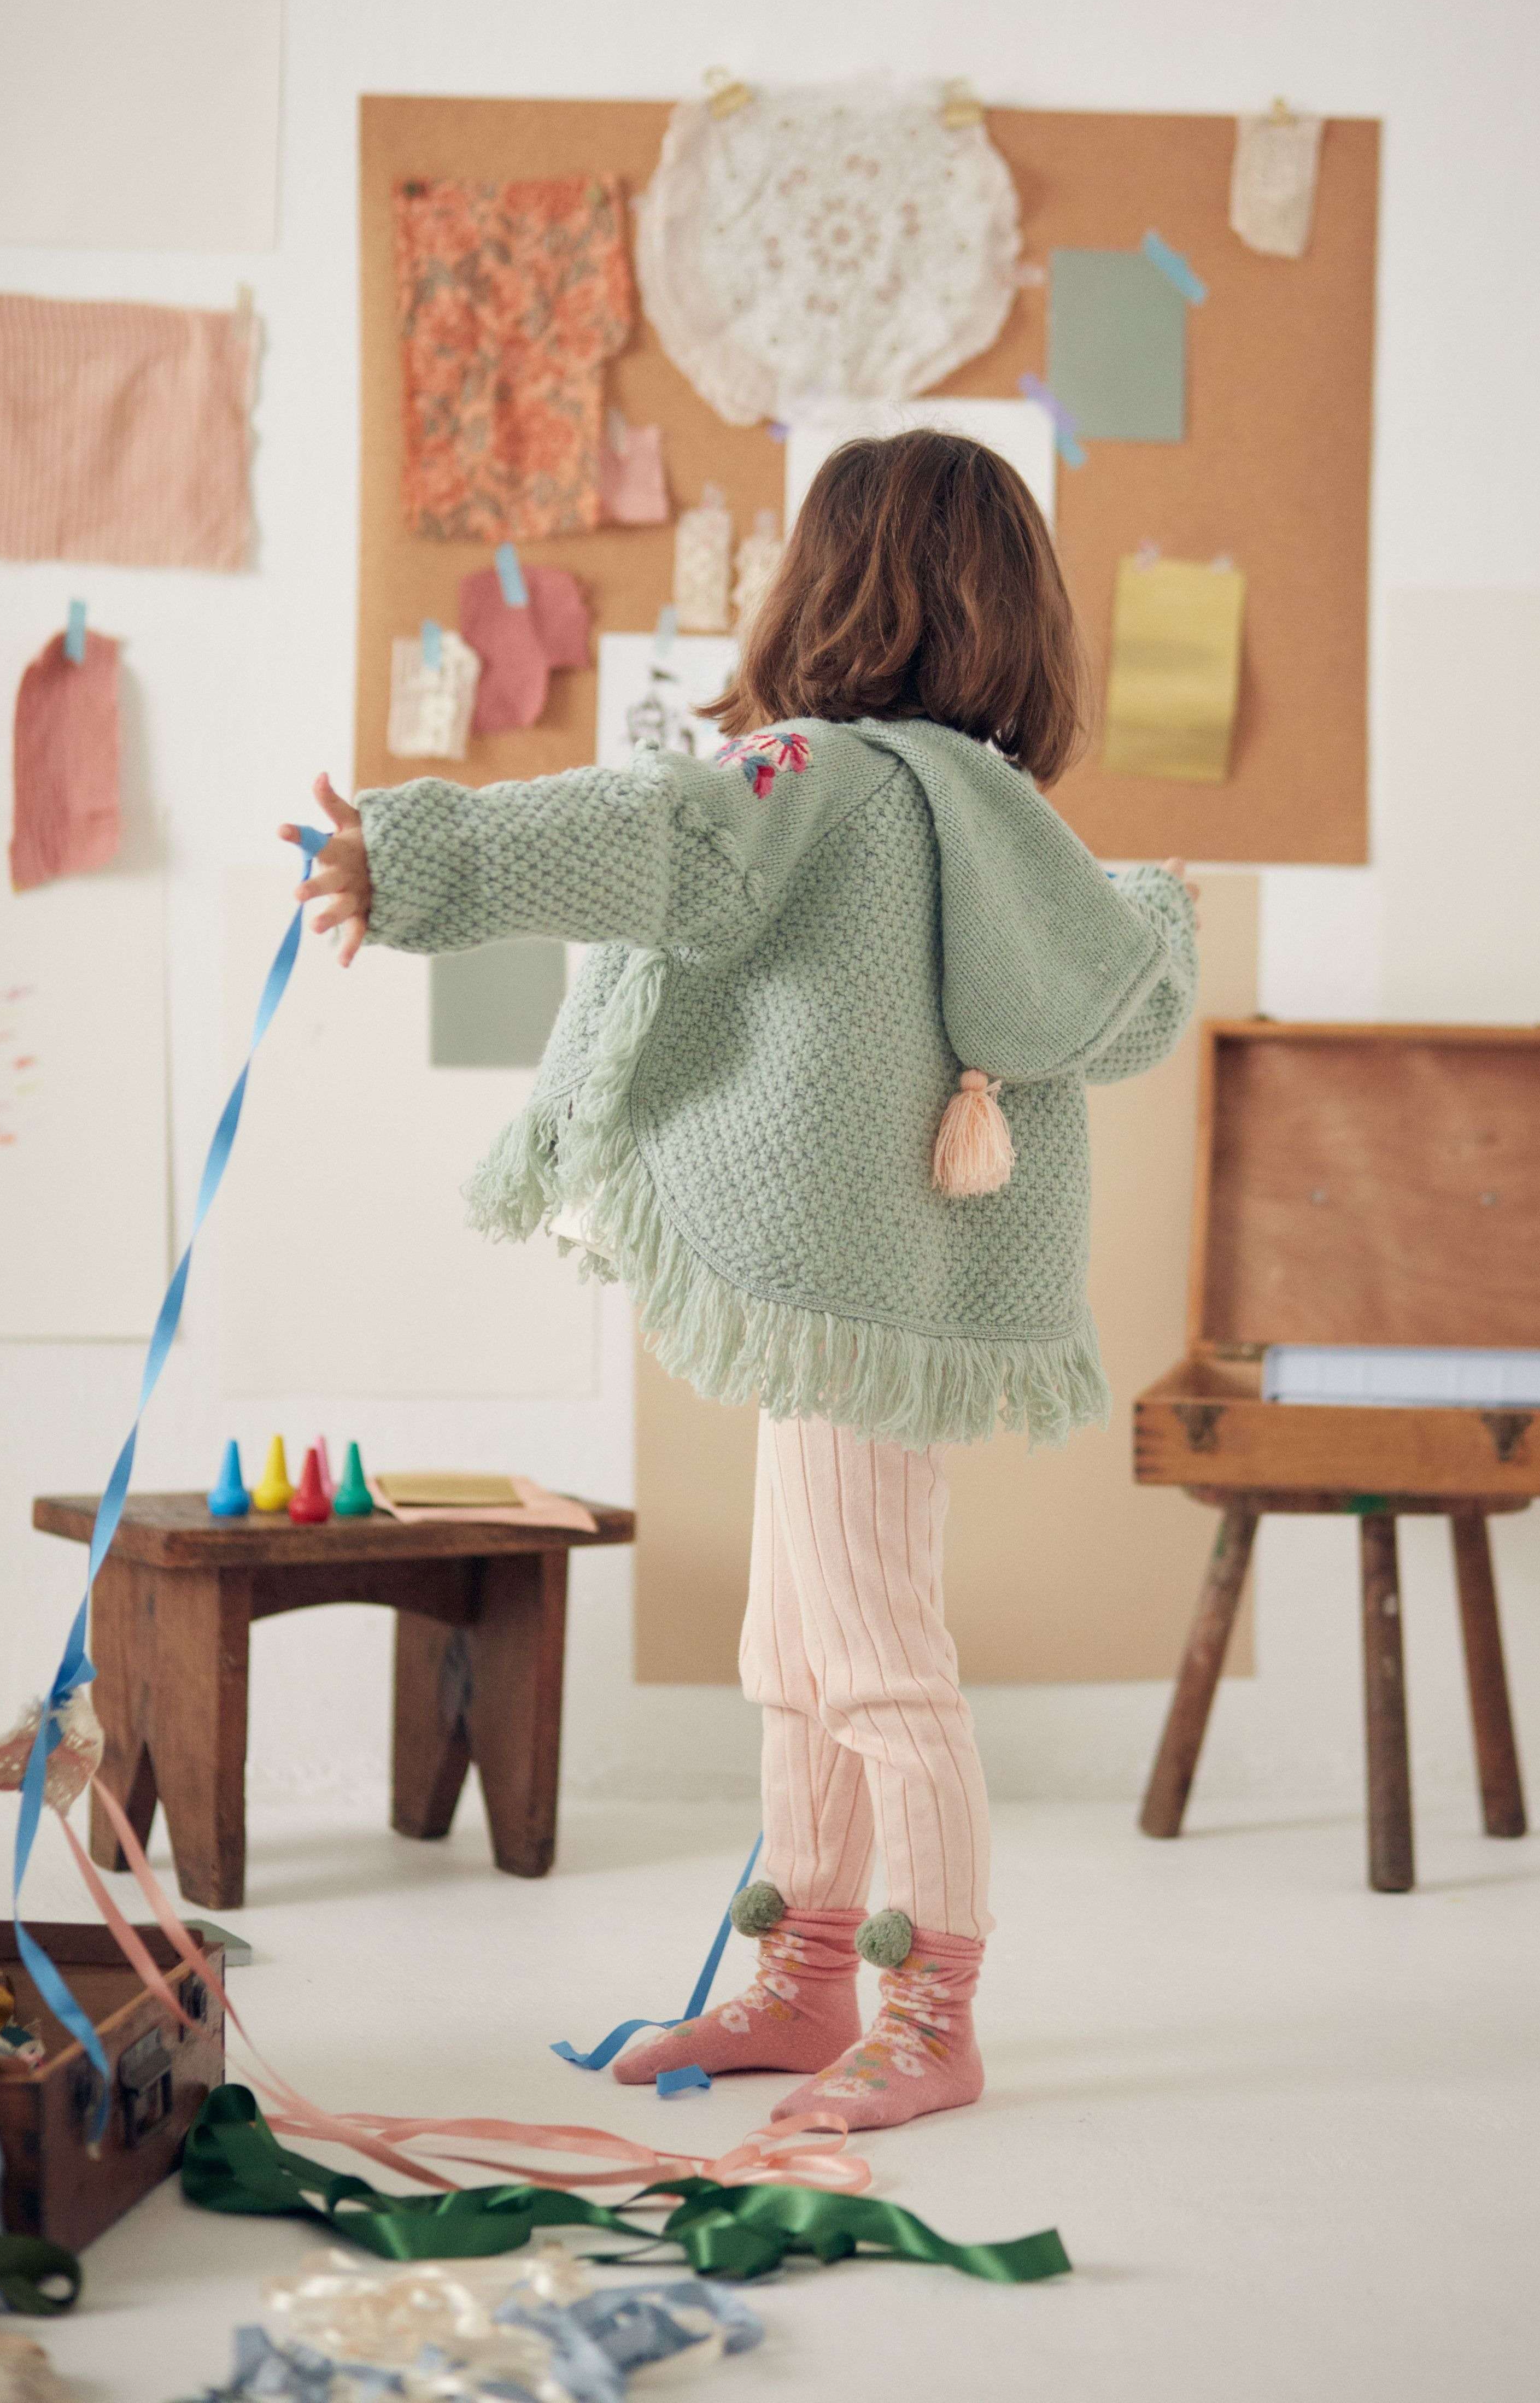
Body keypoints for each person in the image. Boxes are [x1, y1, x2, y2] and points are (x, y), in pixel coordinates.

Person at [285, 429, 1197, 2132]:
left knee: (874, 1656)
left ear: (829, 587)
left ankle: (929, 2016)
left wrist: (417, 861)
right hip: (888, 1299)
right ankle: (804, 1981)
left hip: (841, 1302)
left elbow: (642, 832)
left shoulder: (815, 781)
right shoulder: (998, 819)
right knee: (800, 1646)